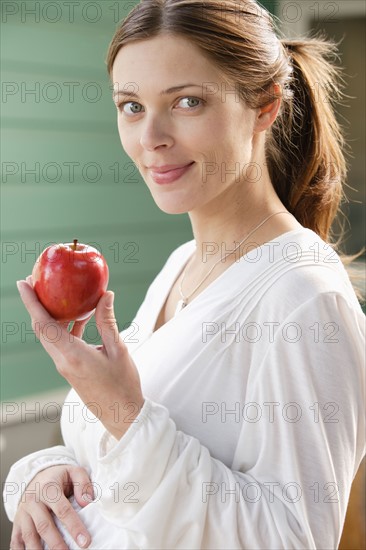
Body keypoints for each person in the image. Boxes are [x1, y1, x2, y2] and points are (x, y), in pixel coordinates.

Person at [3, 0, 365, 548]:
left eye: (187, 102)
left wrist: (126, 414)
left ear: (264, 107)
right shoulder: (182, 265)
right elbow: (115, 459)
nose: (151, 136)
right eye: (130, 106)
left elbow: (292, 537)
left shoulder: (303, 297)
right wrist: (43, 475)